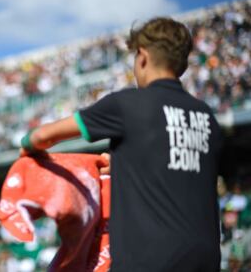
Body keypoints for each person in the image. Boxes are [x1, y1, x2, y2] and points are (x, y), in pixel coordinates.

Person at [20, 17, 223, 271]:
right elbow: (178, 167)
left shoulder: (127, 105)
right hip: (206, 259)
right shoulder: (207, 117)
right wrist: (125, 164)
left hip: (149, 260)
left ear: (142, 56)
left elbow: (44, 137)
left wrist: (27, 144)